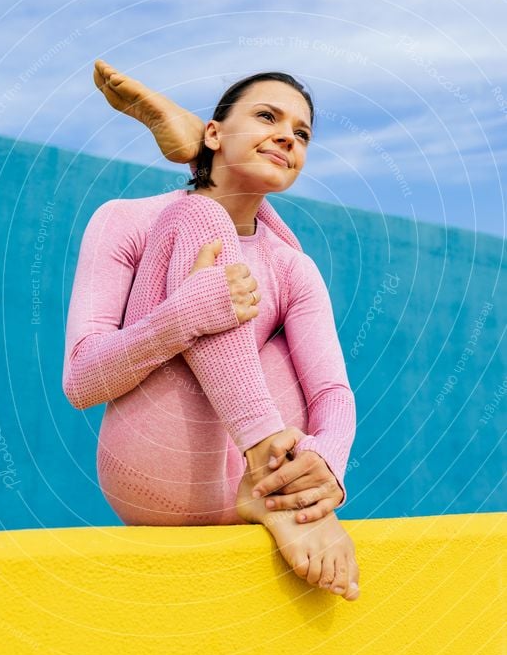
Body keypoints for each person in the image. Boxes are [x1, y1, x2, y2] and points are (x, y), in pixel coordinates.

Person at [63, 60, 360, 600]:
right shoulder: (127, 220)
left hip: (261, 488)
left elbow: (331, 394)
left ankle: (271, 478)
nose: (287, 138)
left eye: (302, 134)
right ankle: (265, 447)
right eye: (267, 116)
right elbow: (81, 381)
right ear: (217, 132)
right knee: (198, 218)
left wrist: (324, 467)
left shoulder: (293, 265)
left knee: (270, 269)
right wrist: (181, 317)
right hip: (159, 476)